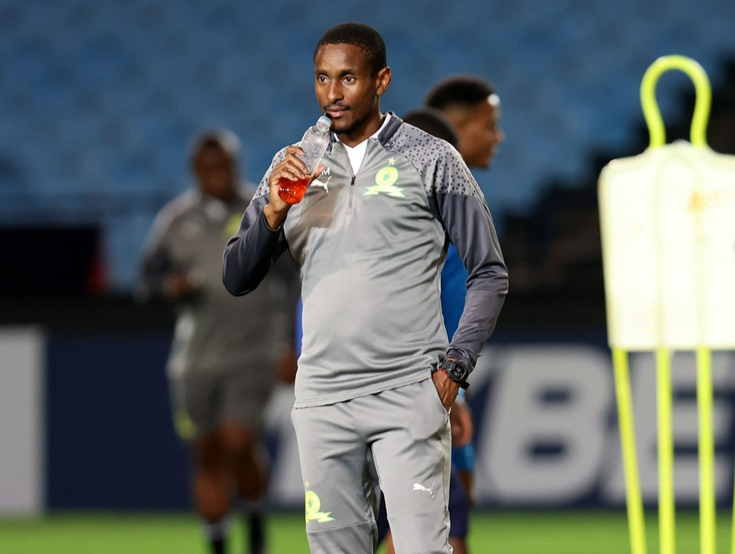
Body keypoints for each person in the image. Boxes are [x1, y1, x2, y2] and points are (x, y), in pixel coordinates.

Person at [223, 22, 508, 554]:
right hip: (323, 402)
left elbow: (489, 271)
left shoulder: (434, 160)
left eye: (348, 78)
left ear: (382, 80)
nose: (333, 93)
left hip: (409, 393)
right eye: (322, 79)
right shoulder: (294, 165)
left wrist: (455, 369)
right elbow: (237, 276)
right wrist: (273, 213)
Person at [139, 129, 296, 554]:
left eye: (224, 166)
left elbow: (292, 277)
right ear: (195, 171)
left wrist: (291, 343)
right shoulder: (177, 219)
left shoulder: (262, 208)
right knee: (206, 454)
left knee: (237, 440)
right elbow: (148, 275)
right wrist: (169, 285)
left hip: (253, 350)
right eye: (208, 168)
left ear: (236, 166)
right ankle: (219, 542)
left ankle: (256, 515)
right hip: (196, 357)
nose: (216, 175)